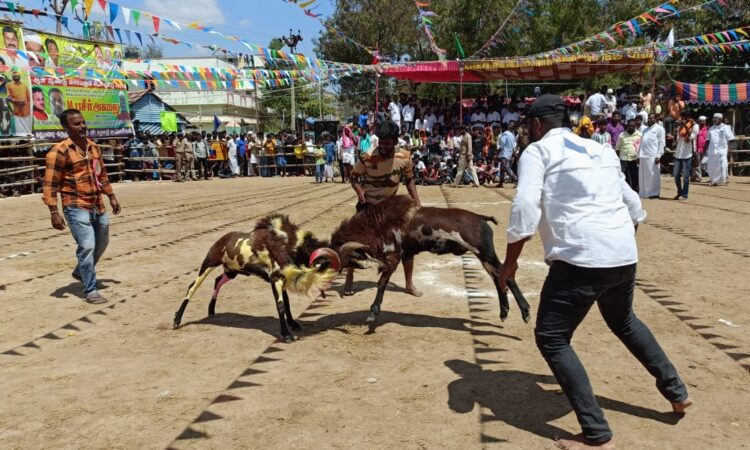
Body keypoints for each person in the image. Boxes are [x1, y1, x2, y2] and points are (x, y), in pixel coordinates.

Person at [499, 94, 691, 450]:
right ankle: (677, 391)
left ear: (537, 125)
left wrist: (508, 265)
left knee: (552, 337)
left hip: (580, 260)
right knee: (625, 321)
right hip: (623, 255)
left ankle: (596, 434)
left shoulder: (538, 152)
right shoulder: (600, 150)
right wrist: (616, 244)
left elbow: (525, 207)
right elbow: (632, 203)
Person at [42, 109, 122, 304]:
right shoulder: (59, 151)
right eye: (76, 124)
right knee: (87, 246)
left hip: (97, 203)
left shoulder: (93, 147)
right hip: (75, 204)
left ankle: (80, 271)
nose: (83, 126)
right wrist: (54, 211)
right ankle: (91, 290)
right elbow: (50, 184)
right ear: (66, 127)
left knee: (102, 242)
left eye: (83, 122)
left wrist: (111, 196)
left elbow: (101, 175)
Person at [346, 120, 422, 297]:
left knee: (406, 244)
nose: (383, 146)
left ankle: (409, 284)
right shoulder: (367, 157)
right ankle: (349, 276)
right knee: (356, 245)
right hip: (368, 207)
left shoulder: (405, 157)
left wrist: (417, 202)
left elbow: (409, 180)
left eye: (387, 143)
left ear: (395, 141)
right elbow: (353, 177)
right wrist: (360, 191)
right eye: (381, 142)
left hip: (390, 208)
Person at [638, 113, 666, 199]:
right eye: (649, 118)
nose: (649, 120)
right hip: (643, 155)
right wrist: (638, 155)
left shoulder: (660, 129)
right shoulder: (645, 130)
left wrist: (659, 155)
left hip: (653, 156)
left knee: (652, 176)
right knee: (643, 176)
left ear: (655, 119)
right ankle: (644, 193)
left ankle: (654, 193)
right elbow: (641, 143)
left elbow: (661, 143)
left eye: (651, 118)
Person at [673, 111, 697, 200]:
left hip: (687, 154)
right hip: (678, 153)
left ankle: (685, 194)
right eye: (681, 117)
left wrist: (686, 127)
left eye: (683, 117)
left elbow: (692, 137)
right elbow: (676, 140)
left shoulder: (694, 125)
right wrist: (676, 129)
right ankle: (680, 191)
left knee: (686, 177)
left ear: (688, 117)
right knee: (676, 175)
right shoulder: (680, 126)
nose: (682, 119)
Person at [705, 112, 735, 186]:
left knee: (723, 164)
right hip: (712, 151)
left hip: (722, 150)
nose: (714, 120)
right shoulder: (711, 129)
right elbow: (708, 140)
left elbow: (731, 139)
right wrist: (706, 150)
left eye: (716, 119)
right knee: (712, 166)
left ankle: (723, 180)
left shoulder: (725, 127)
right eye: (713, 119)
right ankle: (714, 181)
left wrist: (729, 148)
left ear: (720, 119)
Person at [497, 120, 518, 187]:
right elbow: (513, 146)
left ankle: (516, 179)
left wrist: (497, 153)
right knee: (502, 169)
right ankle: (501, 183)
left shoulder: (505, 135)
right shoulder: (512, 135)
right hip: (509, 154)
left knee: (506, 168)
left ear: (502, 128)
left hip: (504, 154)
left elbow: (501, 146)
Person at [693, 116, 708, 182]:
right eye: (701, 121)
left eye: (703, 121)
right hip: (697, 148)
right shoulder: (696, 129)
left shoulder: (707, 129)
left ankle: (695, 176)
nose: (702, 122)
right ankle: (698, 177)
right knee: (696, 162)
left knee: (701, 162)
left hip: (704, 148)